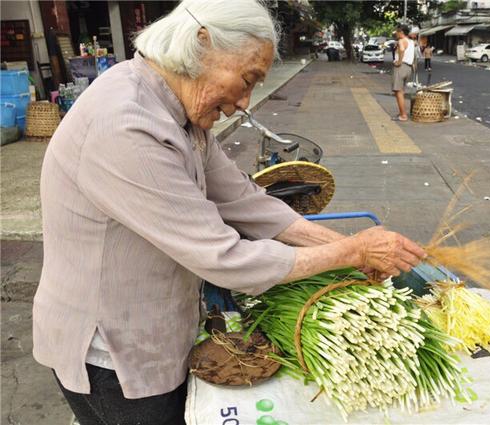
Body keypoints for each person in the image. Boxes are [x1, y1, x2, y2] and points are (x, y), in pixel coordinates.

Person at [32, 1, 426, 424]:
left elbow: (246, 201)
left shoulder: (178, 112)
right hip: (114, 353)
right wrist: (352, 254)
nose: (245, 102)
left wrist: (350, 246)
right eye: (247, 80)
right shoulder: (126, 123)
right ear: (203, 45)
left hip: (156, 328)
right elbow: (224, 258)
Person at [391, 24, 414, 122]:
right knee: (401, 91)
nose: (395, 33)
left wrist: (399, 62)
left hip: (401, 67)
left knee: (398, 91)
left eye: (397, 31)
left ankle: (403, 115)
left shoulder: (401, 41)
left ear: (401, 32)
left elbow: (401, 50)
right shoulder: (411, 42)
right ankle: (402, 113)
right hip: (408, 68)